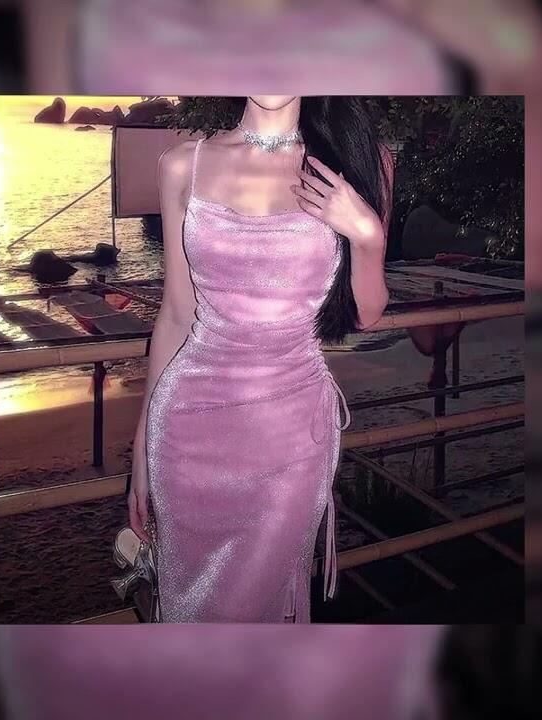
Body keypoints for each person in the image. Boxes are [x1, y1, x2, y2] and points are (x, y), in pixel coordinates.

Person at [128, 96, 391, 622]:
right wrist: (141, 448)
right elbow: (177, 313)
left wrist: (367, 237)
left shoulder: (360, 157)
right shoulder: (182, 164)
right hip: (187, 431)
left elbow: (364, 315)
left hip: (291, 436)